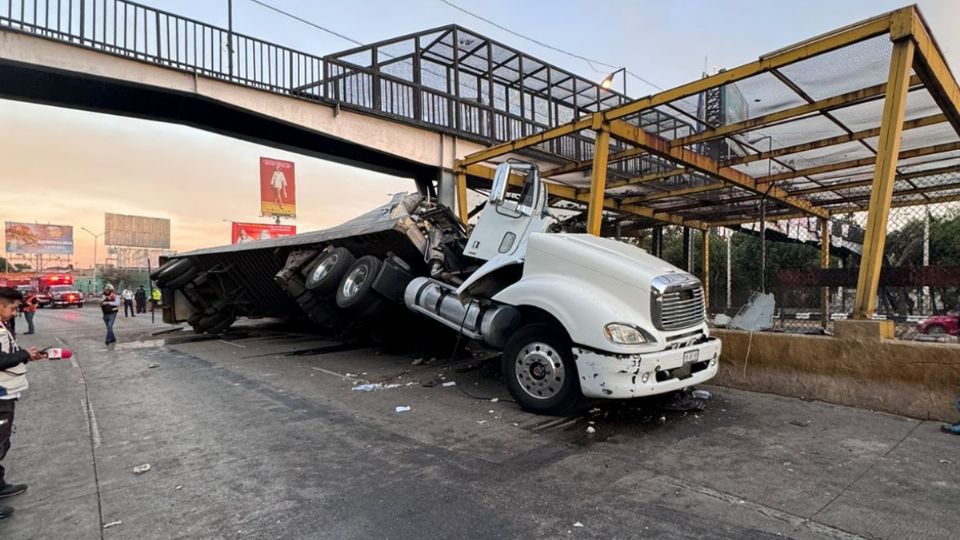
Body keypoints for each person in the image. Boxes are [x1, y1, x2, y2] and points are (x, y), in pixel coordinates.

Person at [0, 287, 42, 521]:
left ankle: (0, 485)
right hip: (0, 394)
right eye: (13, 308)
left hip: (5, 394)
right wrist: (24, 354)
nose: (15, 313)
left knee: (2, 442)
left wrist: (25, 354)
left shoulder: (3, 327)